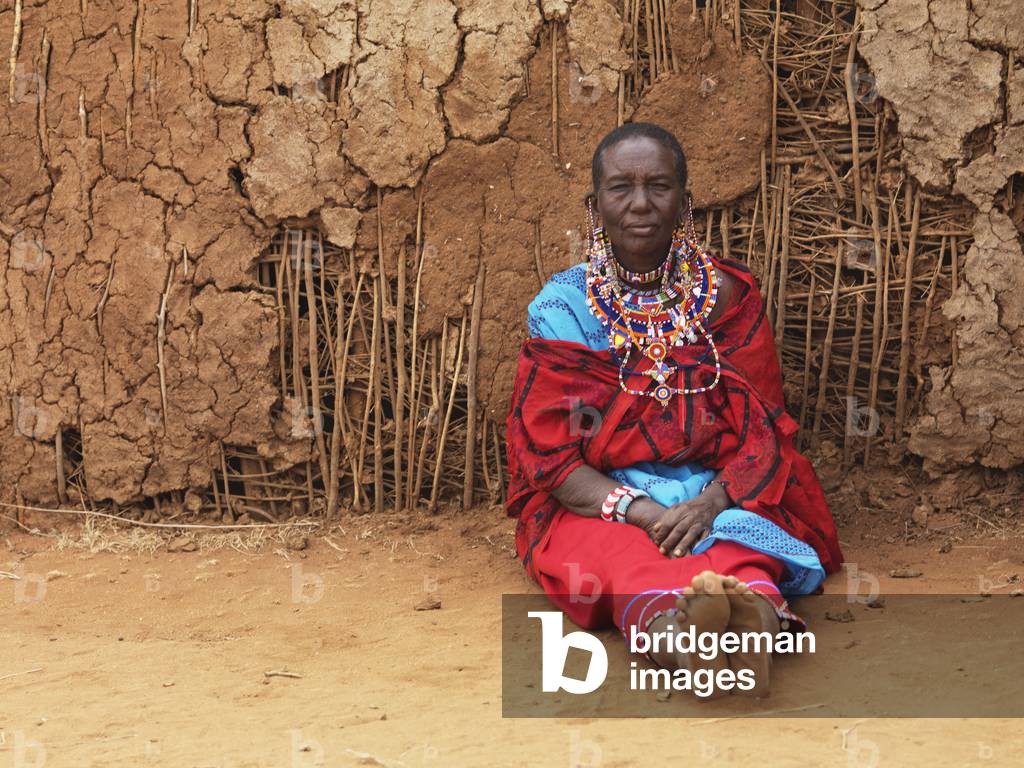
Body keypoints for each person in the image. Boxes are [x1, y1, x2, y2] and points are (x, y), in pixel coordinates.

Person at [505, 122, 843, 697]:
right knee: (617, 562)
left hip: (718, 490)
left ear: (684, 202)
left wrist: (712, 503)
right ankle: (694, 649)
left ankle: (752, 627)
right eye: (621, 188)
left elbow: (765, 429)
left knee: (739, 550)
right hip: (600, 500)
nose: (640, 204)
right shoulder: (562, 307)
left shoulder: (726, 298)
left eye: (658, 186)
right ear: (595, 204)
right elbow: (550, 458)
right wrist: (640, 511)